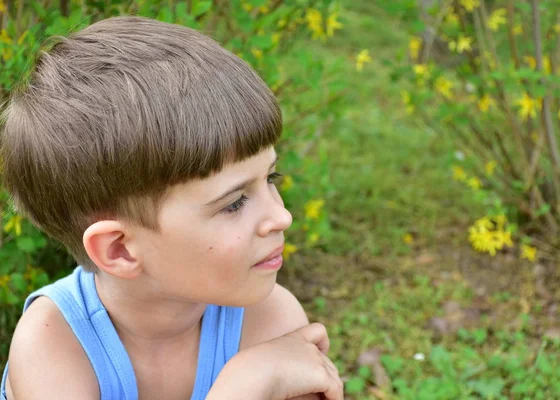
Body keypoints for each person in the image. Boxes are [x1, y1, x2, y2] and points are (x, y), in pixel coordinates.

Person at [0, 16, 343, 400]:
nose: (282, 216)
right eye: (234, 203)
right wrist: (243, 387)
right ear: (120, 249)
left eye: (271, 179)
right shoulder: (52, 347)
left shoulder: (270, 320)